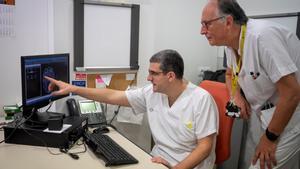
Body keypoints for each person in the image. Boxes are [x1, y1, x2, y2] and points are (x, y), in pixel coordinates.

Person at [46, 49, 219, 169]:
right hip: (157, 161)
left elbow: (204, 148)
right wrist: (73, 89)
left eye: (153, 73)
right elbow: (112, 96)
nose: (148, 78)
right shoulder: (153, 92)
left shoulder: (201, 100)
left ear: (171, 76)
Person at [200, 0, 300, 169]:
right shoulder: (230, 43)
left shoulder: (263, 37)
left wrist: (270, 138)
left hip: (291, 114)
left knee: (260, 165)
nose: (202, 31)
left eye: (206, 24)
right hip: (263, 112)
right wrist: (235, 95)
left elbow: (292, 93)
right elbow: (230, 73)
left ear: (229, 22)